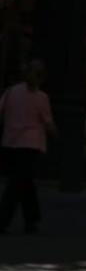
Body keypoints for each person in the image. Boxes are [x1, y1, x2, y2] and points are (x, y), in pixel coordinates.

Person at [0, 59, 56, 234]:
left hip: (11, 141)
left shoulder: (10, 92)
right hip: (30, 144)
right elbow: (48, 123)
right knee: (19, 182)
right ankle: (4, 219)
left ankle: (31, 220)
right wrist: (55, 134)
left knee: (22, 181)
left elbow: (1, 112)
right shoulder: (41, 98)